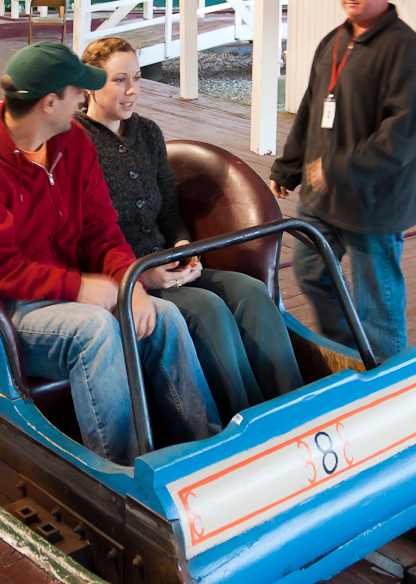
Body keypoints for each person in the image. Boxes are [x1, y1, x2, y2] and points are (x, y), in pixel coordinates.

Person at [0, 41, 220, 465]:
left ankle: (205, 454)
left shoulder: (72, 144)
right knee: (96, 331)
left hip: (61, 291)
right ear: (50, 102)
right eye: (76, 93)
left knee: (165, 317)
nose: (83, 100)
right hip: (1, 309)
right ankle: (123, 475)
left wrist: (129, 282)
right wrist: (80, 287)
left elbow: (100, 230)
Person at [77, 37, 303, 422]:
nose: (132, 90)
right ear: (89, 85)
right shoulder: (75, 142)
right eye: (119, 80)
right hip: (124, 278)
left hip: (169, 261)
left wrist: (184, 247)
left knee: (249, 291)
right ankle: (252, 424)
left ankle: (298, 405)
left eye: (135, 78)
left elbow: (168, 208)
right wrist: (144, 274)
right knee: (208, 309)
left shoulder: (147, 132)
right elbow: (83, 235)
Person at [269, 0, 416, 362]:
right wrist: (288, 167)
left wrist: (340, 168)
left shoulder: (404, 49)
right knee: (309, 270)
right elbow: (310, 108)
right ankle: (352, 353)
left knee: (377, 300)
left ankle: (387, 381)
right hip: (323, 196)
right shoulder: (336, 40)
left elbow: (404, 133)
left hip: (374, 203)